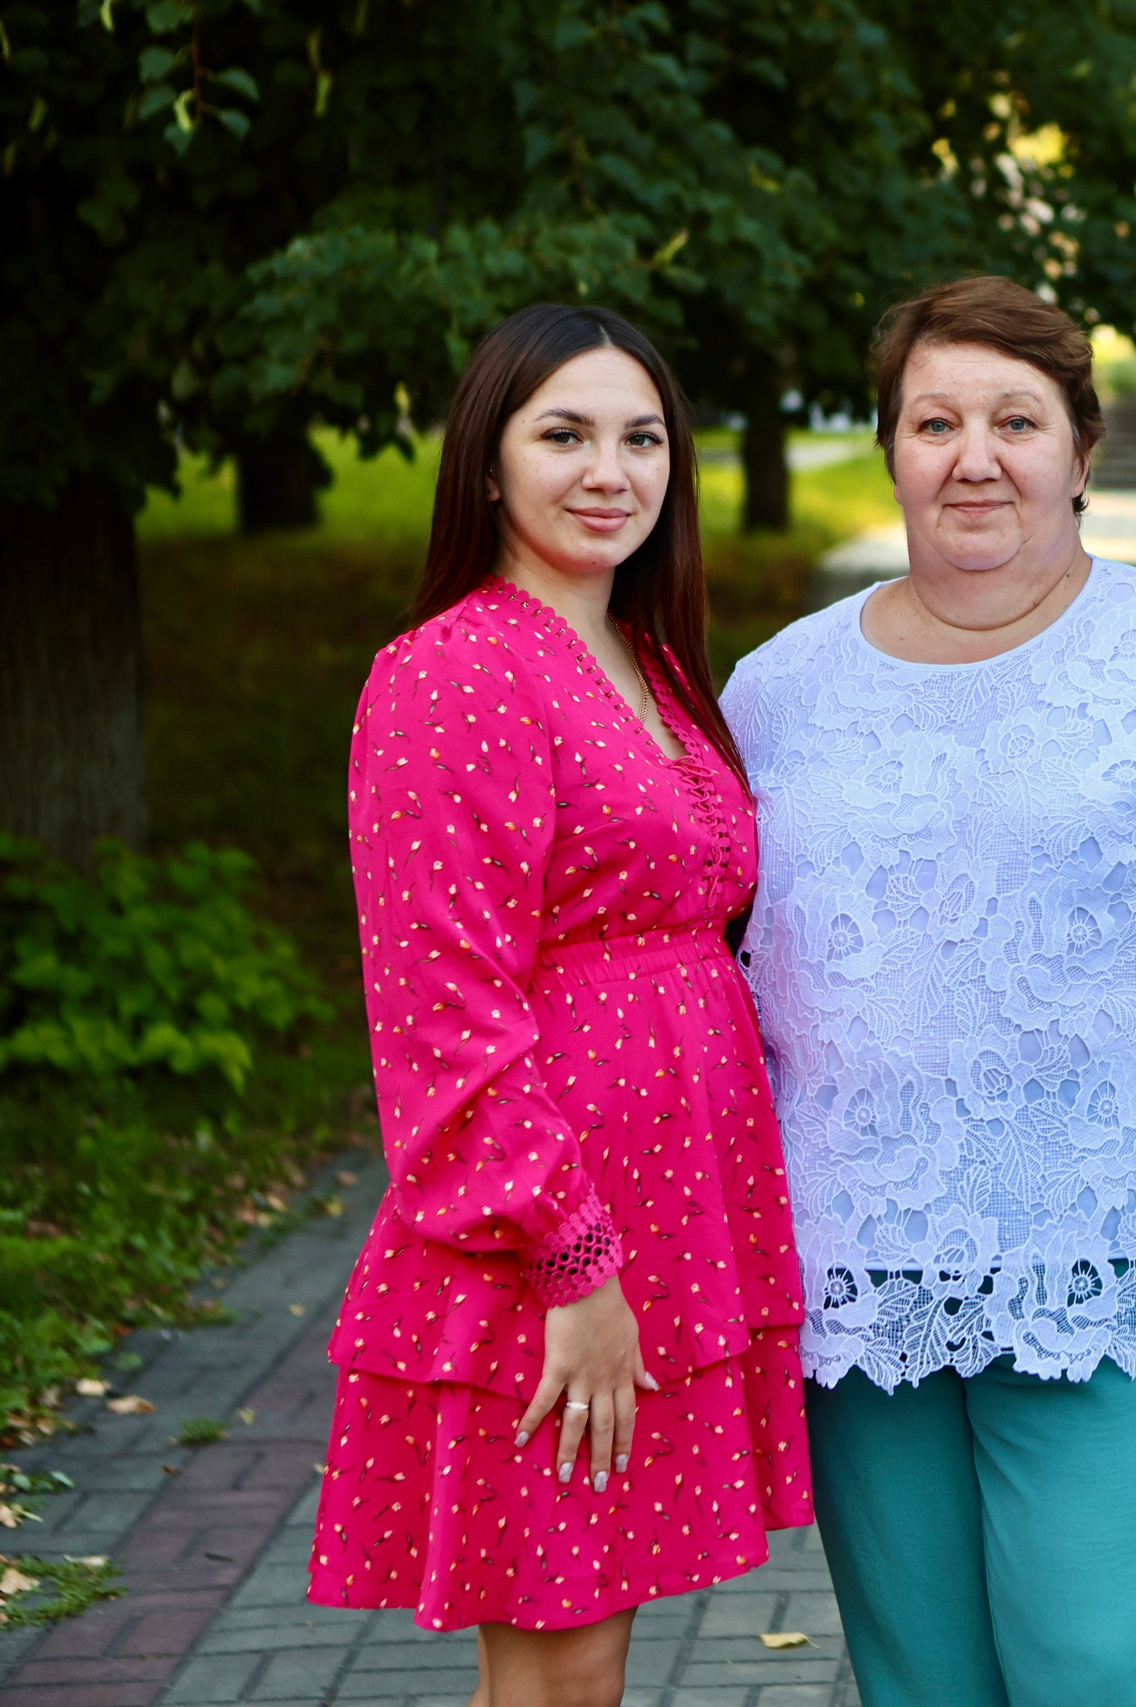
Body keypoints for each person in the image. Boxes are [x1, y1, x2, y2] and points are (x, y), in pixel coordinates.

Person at [720, 274, 1136, 1707]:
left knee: (1102, 1672)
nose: (974, 455)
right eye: (934, 420)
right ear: (887, 448)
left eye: (1017, 419)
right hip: (855, 1278)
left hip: (1113, 1262)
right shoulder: (776, 689)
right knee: (921, 1683)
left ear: (1083, 450)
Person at [309, 304, 811, 1707]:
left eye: (641, 437)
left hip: (673, 1214)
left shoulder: (646, 658)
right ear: (486, 464)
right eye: (565, 434)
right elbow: (441, 1006)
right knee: (557, 1674)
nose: (611, 469)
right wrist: (571, 1264)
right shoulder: (458, 670)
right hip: (550, 1236)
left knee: (588, 1655)